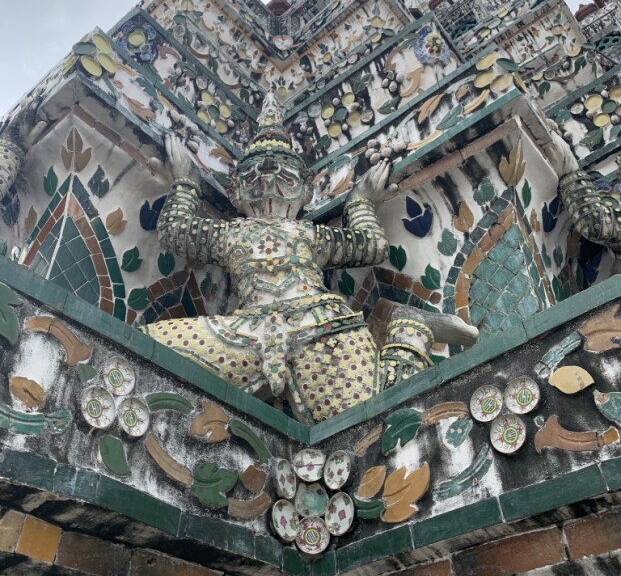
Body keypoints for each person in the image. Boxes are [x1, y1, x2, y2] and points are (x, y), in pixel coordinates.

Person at [145, 93, 477, 423]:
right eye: (255, 177)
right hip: (248, 333)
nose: (270, 178)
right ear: (236, 193)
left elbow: (370, 246)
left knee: (373, 420)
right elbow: (176, 232)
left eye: (284, 176)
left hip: (320, 327)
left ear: (305, 193)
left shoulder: (308, 234)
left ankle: (409, 331)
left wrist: (361, 201)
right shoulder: (231, 233)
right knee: (150, 349)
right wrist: (186, 181)